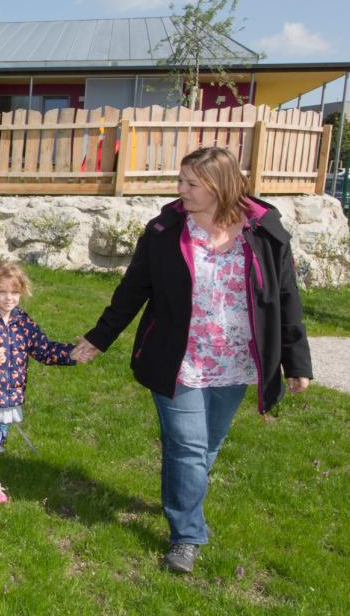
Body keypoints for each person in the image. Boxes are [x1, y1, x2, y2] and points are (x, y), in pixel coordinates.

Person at [71, 146, 313, 574]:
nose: (179, 190)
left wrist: (297, 363)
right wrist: (98, 338)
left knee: (207, 446)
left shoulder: (263, 230)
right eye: (180, 181)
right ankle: (186, 535)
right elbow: (133, 291)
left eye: (190, 183)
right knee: (187, 447)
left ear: (219, 186)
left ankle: (182, 499)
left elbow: (287, 298)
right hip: (178, 358)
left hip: (236, 361)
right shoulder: (165, 231)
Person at [0, 262, 76, 504]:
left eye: (15, 292)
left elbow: (44, 349)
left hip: (10, 395)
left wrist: (72, 354)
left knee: (0, 439)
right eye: (2, 291)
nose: (9, 298)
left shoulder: (24, 323)